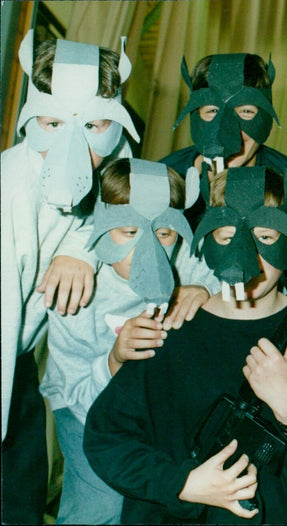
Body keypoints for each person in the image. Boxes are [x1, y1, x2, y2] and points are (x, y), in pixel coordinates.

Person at [83, 165, 287, 523]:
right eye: (227, 237)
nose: (247, 258)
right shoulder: (172, 325)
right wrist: (182, 484)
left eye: (266, 237)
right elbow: (106, 437)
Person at [0, 30, 140, 523]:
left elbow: (112, 192)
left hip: (19, 372)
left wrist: (81, 249)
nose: (73, 149)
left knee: (23, 494)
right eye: (54, 124)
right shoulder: (11, 193)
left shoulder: (108, 165)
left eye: (94, 125)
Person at [38, 158, 216, 524]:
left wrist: (203, 291)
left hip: (152, 400)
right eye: (128, 232)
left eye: (163, 233)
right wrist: (116, 359)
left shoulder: (183, 256)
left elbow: (232, 286)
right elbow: (77, 391)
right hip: (80, 401)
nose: (146, 248)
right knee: (100, 506)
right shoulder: (76, 290)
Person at [161, 52, 287, 229]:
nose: (228, 130)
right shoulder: (160, 179)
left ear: (268, 124)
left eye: (245, 111)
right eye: (213, 111)